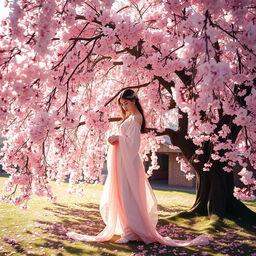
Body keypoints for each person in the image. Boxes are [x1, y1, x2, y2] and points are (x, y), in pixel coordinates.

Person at [67, 89, 210, 246]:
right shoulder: (130, 117)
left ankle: (131, 232)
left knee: (129, 194)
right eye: (122, 104)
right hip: (123, 161)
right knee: (123, 193)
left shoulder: (136, 118)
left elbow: (134, 145)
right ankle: (128, 230)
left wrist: (118, 138)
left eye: (126, 103)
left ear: (134, 101)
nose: (124, 107)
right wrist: (117, 139)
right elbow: (128, 140)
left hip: (129, 162)